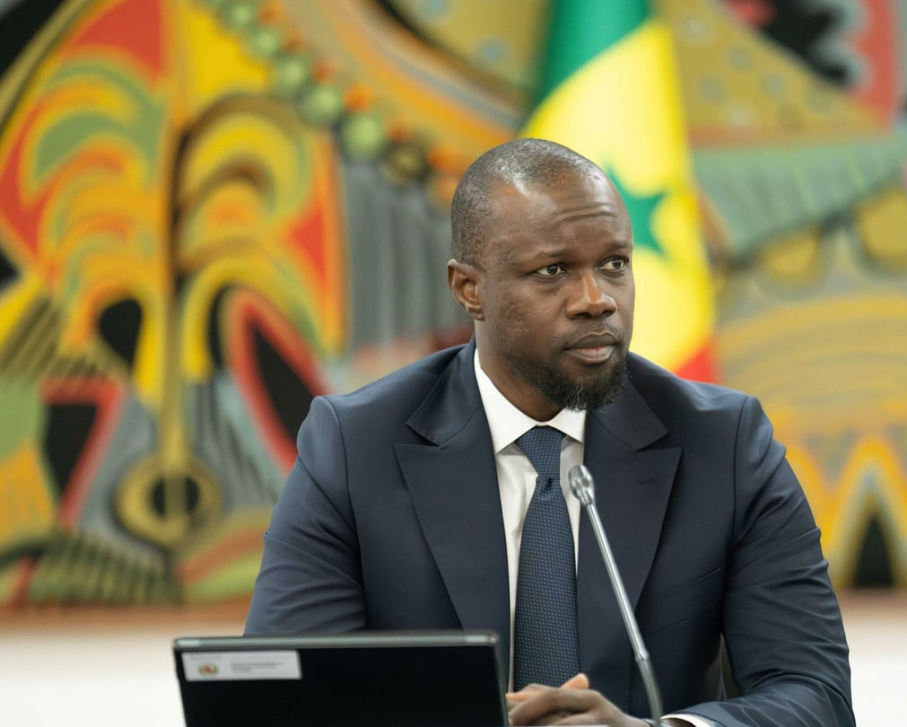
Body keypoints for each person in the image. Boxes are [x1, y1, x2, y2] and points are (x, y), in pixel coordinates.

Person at [245, 139, 853, 726]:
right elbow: (281, 701)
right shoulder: (355, 448)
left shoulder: (723, 444)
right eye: (553, 270)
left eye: (614, 265)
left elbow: (816, 696)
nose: (596, 300)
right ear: (469, 289)